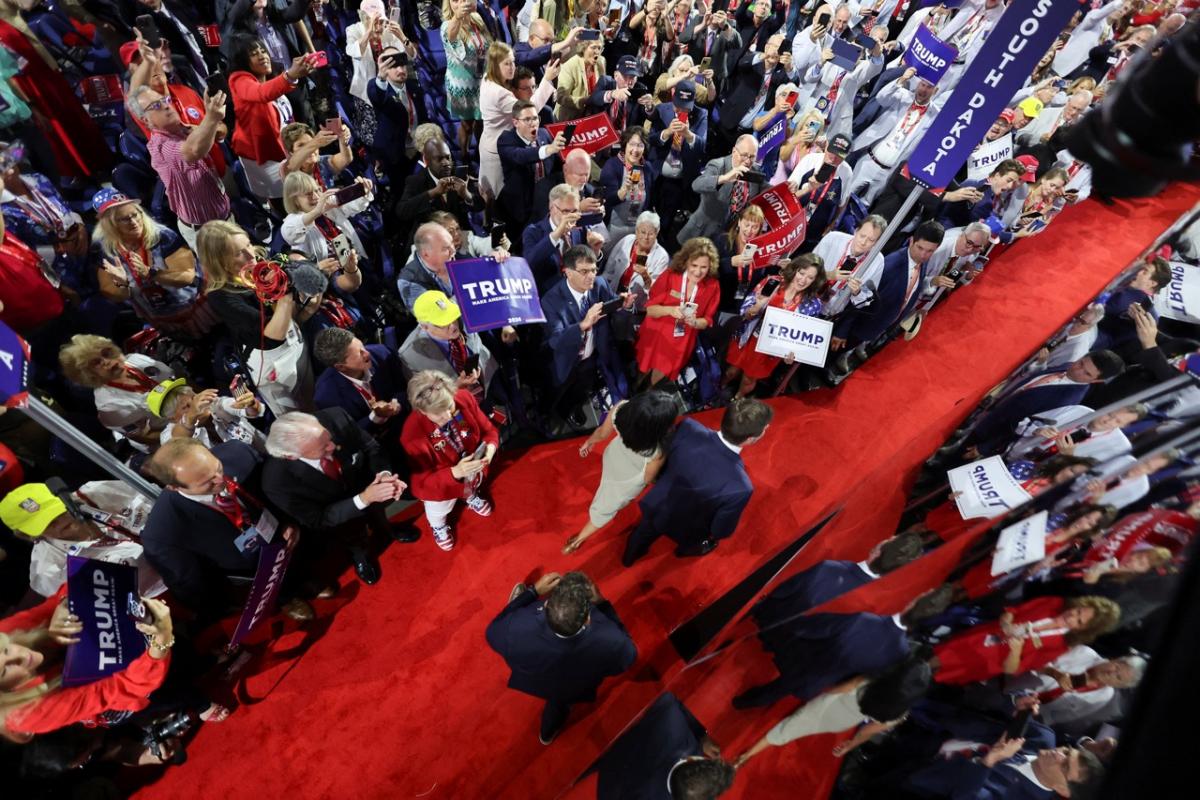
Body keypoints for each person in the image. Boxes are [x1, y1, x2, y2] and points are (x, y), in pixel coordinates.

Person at [141, 438, 311, 622]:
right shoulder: (163, 534)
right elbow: (192, 586)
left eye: (218, 468)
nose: (221, 479)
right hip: (256, 574)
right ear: (174, 487)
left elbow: (278, 486)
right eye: (208, 482)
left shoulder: (238, 454)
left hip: (290, 536)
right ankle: (287, 597)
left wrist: (288, 518)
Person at [262, 410, 415, 586]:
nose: (333, 446)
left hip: (362, 481)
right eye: (322, 447)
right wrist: (364, 498)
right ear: (292, 456)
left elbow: (372, 448)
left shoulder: (336, 418)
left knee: (378, 513)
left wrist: (384, 475)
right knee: (352, 536)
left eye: (328, 437)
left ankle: (387, 529)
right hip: (337, 514)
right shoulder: (276, 482)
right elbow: (319, 519)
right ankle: (361, 557)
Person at [485, 570, 637, 745]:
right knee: (558, 708)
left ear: (548, 604)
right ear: (587, 619)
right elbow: (628, 657)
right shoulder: (610, 641)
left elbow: (492, 633)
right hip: (567, 690)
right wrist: (602, 604)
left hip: (528, 676)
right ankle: (547, 734)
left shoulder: (517, 625)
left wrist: (532, 592)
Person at [0, 594, 174, 741]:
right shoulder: (28, 714)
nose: (20, 656)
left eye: (6, 650)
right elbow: (124, 687)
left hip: (103, 636)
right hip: (111, 689)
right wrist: (162, 639)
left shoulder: (5, 629)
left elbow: (75, 584)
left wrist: (65, 604)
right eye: (5, 671)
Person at [623, 397, 772, 566]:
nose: (767, 429)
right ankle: (682, 552)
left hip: (659, 504)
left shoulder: (688, 428)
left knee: (642, 534)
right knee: (692, 543)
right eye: (764, 428)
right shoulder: (741, 487)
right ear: (749, 439)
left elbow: (663, 458)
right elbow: (720, 530)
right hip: (690, 529)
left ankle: (629, 557)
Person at [197, 220, 319, 415]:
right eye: (238, 253)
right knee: (296, 417)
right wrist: (285, 291)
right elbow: (272, 334)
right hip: (273, 364)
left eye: (248, 245)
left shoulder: (260, 264)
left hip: (295, 341)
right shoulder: (221, 295)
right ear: (219, 261)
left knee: (313, 398)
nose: (250, 255)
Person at [735, 657, 933, 769]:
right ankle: (746, 757)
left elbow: (839, 689)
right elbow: (869, 730)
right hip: (841, 722)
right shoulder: (898, 713)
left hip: (829, 705)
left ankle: (745, 757)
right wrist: (851, 744)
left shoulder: (872, 680)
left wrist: (819, 690)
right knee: (792, 729)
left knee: (788, 728)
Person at [563, 388, 678, 555]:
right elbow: (648, 478)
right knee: (604, 510)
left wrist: (589, 442)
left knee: (604, 495)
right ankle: (577, 540)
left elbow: (602, 433)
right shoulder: (658, 449)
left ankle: (578, 539)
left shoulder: (621, 408)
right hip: (628, 479)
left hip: (613, 456)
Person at [0, 480, 160, 598]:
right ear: (29, 535)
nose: (60, 522)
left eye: (59, 511)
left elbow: (158, 499)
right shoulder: (49, 571)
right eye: (47, 524)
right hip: (156, 597)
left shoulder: (96, 492)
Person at [91, 189, 215, 339]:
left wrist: (152, 273)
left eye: (135, 214)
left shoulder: (162, 236)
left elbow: (188, 276)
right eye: (124, 219)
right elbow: (111, 292)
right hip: (161, 320)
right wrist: (123, 285)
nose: (134, 221)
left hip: (196, 309)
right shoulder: (106, 250)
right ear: (109, 225)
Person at [400, 370, 499, 551]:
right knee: (439, 509)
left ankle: (470, 495)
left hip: (471, 466)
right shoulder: (412, 434)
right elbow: (422, 484)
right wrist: (455, 472)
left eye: (450, 407)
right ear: (422, 411)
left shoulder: (463, 398)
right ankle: (438, 525)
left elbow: (489, 431)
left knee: (472, 485)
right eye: (438, 414)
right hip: (442, 484)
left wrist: (490, 451)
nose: (448, 416)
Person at [963, 351, 1127, 456]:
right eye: (1081, 363)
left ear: (1096, 380)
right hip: (982, 417)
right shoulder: (1067, 366)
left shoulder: (1068, 400)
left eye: (1086, 373)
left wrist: (985, 447)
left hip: (988, 435)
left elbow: (1028, 426)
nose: (1077, 370)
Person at [540, 245, 633, 429]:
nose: (590, 276)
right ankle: (545, 417)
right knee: (554, 393)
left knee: (581, 389)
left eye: (593, 270)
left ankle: (569, 409)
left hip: (591, 356)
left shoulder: (599, 284)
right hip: (564, 360)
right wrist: (583, 324)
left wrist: (624, 305)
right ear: (567, 272)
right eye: (584, 271)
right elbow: (556, 341)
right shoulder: (551, 300)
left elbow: (614, 307)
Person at [931, 596, 1122, 685]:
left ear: (1084, 630)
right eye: (1078, 610)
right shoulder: (1053, 602)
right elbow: (1011, 612)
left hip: (984, 662)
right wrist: (1006, 625)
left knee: (932, 671)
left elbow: (1012, 669)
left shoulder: (1061, 645)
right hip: (978, 638)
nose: (1072, 617)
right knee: (932, 656)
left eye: (1079, 621)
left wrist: (1015, 650)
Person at [131, 80, 229, 251]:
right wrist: (211, 118)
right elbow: (193, 150)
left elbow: (220, 132)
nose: (166, 106)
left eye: (165, 100)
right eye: (156, 105)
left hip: (224, 213)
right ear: (145, 121)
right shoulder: (161, 146)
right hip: (205, 231)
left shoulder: (182, 128)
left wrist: (211, 121)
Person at [830, 221, 945, 362]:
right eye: (920, 248)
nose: (923, 254)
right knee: (829, 358)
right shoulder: (890, 265)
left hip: (873, 328)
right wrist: (842, 331)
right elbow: (860, 297)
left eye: (929, 251)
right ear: (911, 241)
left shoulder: (923, 262)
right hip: (857, 327)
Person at [750, 532, 924, 625]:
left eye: (891, 540)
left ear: (879, 550)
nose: (889, 538)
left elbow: (782, 592)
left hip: (764, 621)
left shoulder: (829, 568)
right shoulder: (871, 603)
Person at [594, 692, 734, 800]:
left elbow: (668, 700)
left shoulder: (671, 721)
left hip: (607, 747)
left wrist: (700, 735)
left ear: (692, 760)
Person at [227, 36, 316, 201]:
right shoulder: (238, 80)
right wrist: (289, 75)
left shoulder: (270, 78)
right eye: (254, 54)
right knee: (289, 201)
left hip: (284, 153)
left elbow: (286, 119)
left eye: (263, 50)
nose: (262, 56)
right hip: (264, 160)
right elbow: (262, 93)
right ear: (243, 60)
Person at [724, 255, 827, 397]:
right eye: (801, 273)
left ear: (815, 280)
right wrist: (757, 306)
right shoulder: (772, 282)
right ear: (794, 269)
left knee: (749, 380)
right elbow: (744, 313)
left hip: (769, 350)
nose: (803, 280)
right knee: (731, 371)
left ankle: (737, 399)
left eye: (810, 277)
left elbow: (803, 338)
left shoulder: (813, 305)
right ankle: (717, 391)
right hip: (747, 338)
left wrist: (793, 353)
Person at [57, 334, 173, 449]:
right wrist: (184, 427)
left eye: (106, 353)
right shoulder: (110, 406)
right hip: (167, 438)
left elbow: (174, 378)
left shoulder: (135, 359)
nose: (107, 361)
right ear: (88, 374)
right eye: (97, 363)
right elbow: (145, 436)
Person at [635, 237, 721, 385]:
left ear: (710, 266)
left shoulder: (713, 286)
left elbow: (707, 320)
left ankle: (645, 399)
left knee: (657, 379)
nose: (698, 272)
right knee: (642, 371)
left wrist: (695, 322)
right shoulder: (670, 276)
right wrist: (670, 310)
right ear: (686, 261)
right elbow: (650, 310)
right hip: (657, 333)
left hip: (681, 340)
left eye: (704, 267)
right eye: (694, 265)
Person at [479, 41, 558, 198]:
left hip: (491, 141)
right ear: (495, 66)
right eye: (507, 64)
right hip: (497, 149)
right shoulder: (499, 93)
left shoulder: (488, 78)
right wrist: (547, 79)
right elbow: (528, 109)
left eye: (513, 62)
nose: (512, 67)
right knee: (498, 195)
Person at [399, 289, 498, 397]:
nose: (453, 326)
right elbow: (424, 399)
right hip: (457, 402)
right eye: (443, 323)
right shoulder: (410, 356)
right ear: (424, 327)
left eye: (452, 317)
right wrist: (455, 388)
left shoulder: (461, 309)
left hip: (490, 376)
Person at [395, 137, 483, 252]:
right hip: (430, 242)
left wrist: (466, 195)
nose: (446, 163)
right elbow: (401, 211)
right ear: (427, 161)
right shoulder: (416, 181)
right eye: (439, 159)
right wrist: (433, 193)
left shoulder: (459, 175)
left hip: (458, 238)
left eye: (448, 157)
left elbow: (481, 205)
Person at [312, 327, 407, 434]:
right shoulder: (326, 396)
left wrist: (396, 404)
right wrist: (375, 417)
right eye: (359, 353)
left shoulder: (382, 353)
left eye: (362, 347)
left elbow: (405, 387)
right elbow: (350, 433)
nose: (367, 353)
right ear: (341, 367)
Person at [279, 171, 373, 277]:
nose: (315, 196)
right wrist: (316, 212)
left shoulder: (326, 204)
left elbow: (354, 206)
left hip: (353, 259)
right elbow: (288, 232)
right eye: (308, 194)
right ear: (295, 200)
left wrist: (363, 191)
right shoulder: (293, 221)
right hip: (330, 277)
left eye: (317, 190)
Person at [344, 0, 408, 146]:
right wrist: (369, 31)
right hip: (365, 92)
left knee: (394, 132)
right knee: (373, 138)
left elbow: (404, 53)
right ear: (364, 19)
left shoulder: (387, 31)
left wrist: (401, 36)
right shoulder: (352, 30)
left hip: (389, 89)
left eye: (381, 22)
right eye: (374, 22)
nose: (378, 27)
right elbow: (354, 51)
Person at [496, 99, 566, 231]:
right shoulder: (505, 140)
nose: (533, 123)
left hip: (546, 201)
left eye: (535, 118)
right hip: (520, 208)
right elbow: (521, 156)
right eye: (527, 119)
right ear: (516, 122)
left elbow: (558, 164)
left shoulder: (544, 134)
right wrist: (549, 149)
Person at [677, 134, 759, 244]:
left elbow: (766, 188)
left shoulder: (754, 169)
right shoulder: (718, 165)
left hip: (727, 238)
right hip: (702, 233)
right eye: (744, 155)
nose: (748, 161)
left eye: (752, 157)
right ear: (734, 151)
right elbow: (696, 185)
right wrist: (724, 178)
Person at [523, 183, 606, 288]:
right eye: (566, 211)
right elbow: (529, 263)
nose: (571, 217)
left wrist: (595, 250)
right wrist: (557, 233)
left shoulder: (580, 230)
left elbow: (589, 269)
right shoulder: (534, 231)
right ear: (552, 207)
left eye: (575, 211)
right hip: (547, 295)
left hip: (575, 292)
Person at [441, 0, 493, 156]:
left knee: (482, 121)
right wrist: (457, 17)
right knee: (467, 125)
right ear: (448, 4)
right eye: (455, 1)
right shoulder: (447, 25)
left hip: (481, 80)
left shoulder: (477, 19)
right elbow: (451, 37)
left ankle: (480, 152)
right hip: (461, 85)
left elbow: (490, 43)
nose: (460, 3)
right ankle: (464, 156)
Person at [367, 48, 425, 186]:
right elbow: (377, 97)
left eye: (402, 64)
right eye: (392, 65)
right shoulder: (377, 87)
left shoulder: (414, 86)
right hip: (393, 154)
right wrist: (381, 76)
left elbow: (423, 116)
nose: (400, 69)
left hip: (416, 149)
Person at [788, 133, 855, 249]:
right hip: (791, 225)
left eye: (839, 155)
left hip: (813, 234)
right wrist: (808, 189)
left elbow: (843, 203)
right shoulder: (810, 160)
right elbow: (787, 198)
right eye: (832, 152)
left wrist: (831, 226)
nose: (833, 157)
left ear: (846, 156)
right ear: (827, 145)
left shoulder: (846, 172)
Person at [555, 35, 606, 121]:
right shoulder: (570, 66)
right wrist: (584, 100)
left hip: (590, 117)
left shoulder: (601, 62)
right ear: (584, 47)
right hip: (569, 119)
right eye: (593, 47)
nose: (597, 52)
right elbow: (561, 97)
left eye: (599, 48)